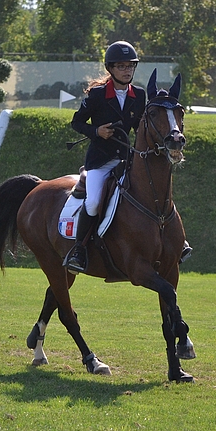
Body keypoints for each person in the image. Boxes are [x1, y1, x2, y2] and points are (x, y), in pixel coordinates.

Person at [64, 41, 147, 274]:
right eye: (121, 66)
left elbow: (140, 127)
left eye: (130, 66)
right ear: (110, 68)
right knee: (92, 202)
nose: (127, 70)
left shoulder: (139, 95)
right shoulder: (97, 95)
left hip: (126, 161)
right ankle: (79, 250)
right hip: (100, 162)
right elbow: (77, 122)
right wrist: (96, 131)